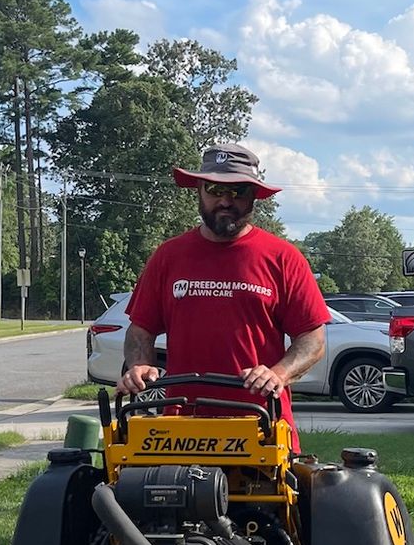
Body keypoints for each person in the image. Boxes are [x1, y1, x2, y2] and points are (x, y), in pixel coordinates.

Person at [117, 142, 329, 427]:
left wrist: (278, 374)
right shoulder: (168, 256)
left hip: (261, 427)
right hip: (181, 430)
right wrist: (139, 364)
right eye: (216, 190)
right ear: (199, 191)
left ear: (254, 195)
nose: (226, 201)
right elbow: (141, 329)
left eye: (238, 191)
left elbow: (313, 339)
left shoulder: (283, 258)